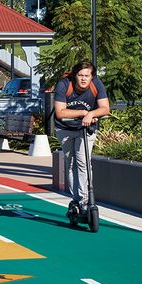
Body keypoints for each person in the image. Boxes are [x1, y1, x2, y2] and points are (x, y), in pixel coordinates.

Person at [52, 61, 111, 216]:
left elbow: (105, 108)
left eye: (87, 76)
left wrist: (91, 114)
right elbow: (60, 112)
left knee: (83, 162)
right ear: (74, 75)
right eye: (80, 75)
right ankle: (76, 198)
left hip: (85, 128)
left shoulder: (96, 85)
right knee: (70, 163)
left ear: (92, 77)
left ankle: (85, 200)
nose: (84, 79)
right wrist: (83, 113)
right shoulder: (64, 85)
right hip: (65, 128)